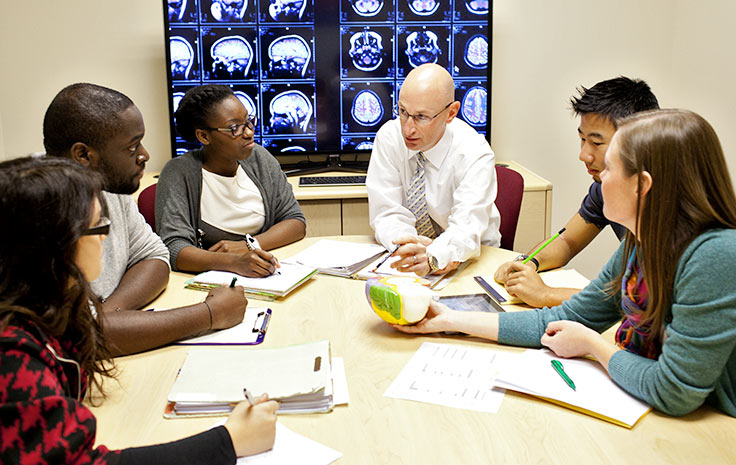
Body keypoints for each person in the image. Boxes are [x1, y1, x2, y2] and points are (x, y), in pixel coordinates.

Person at [392, 109, 736, 417]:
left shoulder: (715, 255)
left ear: (642, 186)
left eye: (611, 168)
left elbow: (675, 391)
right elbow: (563, 319)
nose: (599, 178)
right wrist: (449, 320)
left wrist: (593, 345)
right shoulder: (640, 241)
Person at [0, 156, 279, 464]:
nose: (106, 237)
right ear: (54, 246)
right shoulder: (13, 354)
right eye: (97, 227)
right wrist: (229, 441)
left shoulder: (49, 310)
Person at [44, 83, 247, 355]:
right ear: (83, 155)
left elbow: (154, 255)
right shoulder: (38, 214)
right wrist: (209, 314)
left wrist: (108, 315)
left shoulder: (106, 187)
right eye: (132, 147)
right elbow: (81, 337)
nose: (144, 155)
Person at [494, 77, 660, 307]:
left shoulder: (665, 200)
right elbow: (567, 240)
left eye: (596, 143)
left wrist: (545, 294)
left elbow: (629, 298)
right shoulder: (605, 186)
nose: (583, 155)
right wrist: (528, 263)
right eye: (582, 139)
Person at [366, 63, 501, 277]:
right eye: (402, 111)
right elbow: (387, 211)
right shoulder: (389, 138)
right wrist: (408, 247)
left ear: (451, 112)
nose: (407, 129)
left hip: (470, 260)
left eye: (421, 117)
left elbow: (466, 228)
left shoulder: (475, 152)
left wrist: (434, 256)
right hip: (411, 264)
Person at [156, 84, 306, 276]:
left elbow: (295, 222)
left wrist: (249, 246)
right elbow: (174, 249)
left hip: (266, 273)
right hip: (212, 283)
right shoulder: (179, 172)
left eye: (249, 121)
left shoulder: (259, 157)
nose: (249, 132)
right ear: (203, 136)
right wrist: (233, 261)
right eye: (234, 128)